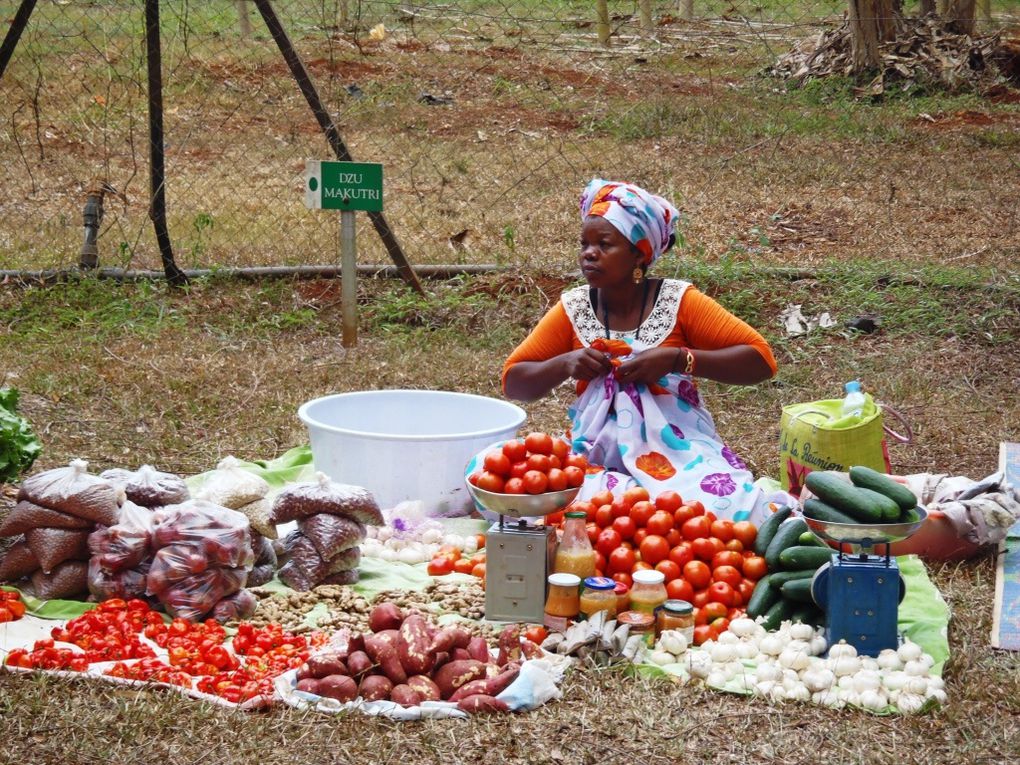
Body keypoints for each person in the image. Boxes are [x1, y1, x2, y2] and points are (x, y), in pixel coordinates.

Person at [502, 179, 779, 521]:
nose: (589, 253)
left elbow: (760, 360)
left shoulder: (678, 302)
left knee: (724, 505)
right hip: (593, 451)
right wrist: (565, 363)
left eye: (605, 244)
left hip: (677, 450)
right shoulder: (574, 308)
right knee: (508, 482)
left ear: (640, 252)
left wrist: (679, 359)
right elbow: (514, 381)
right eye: (584, 244)